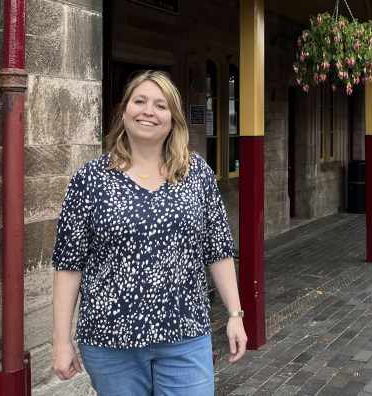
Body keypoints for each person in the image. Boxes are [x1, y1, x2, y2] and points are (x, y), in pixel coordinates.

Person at [51, 70, 247, 396]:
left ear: (173, 119)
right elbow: (69, 264)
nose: (148, 111)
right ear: (124, 110)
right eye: (139, 101)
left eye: (160, 105)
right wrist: (61, 340)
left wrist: (235, 315)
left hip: (185, 335)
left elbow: (218, 249)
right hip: (110, 341)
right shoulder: (90, 179)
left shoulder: (196, 173)